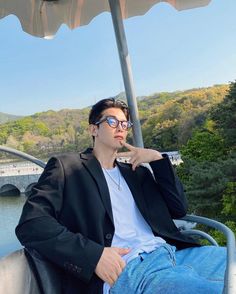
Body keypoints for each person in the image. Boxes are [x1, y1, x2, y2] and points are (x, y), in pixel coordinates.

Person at [16, 98, 226, 294]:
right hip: (129, 268)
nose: (120, 127)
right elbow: (32, 224)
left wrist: (157, 160)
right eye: (112, 120)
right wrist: (93, 255)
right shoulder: (67, 167)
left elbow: (178, 209)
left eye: (125, 124)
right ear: (93, 129)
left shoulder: (136, 172)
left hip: (174, 253)